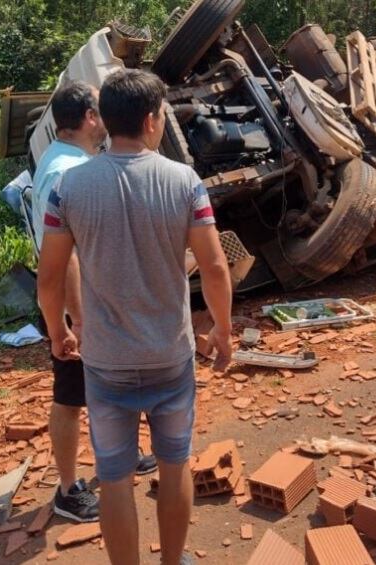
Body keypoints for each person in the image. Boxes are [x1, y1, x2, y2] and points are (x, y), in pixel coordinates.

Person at [38, 69, 233, 565]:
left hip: (105, 363)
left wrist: (59, 331)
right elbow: (213, 267)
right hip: (170, 356)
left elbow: (50, 278)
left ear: (106, 120)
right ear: (151, 120)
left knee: (115, 478)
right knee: (174, 466)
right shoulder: (183, 180)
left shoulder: (70, 188)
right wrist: (223, 331)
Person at [31, 80, 156, 524]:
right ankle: (68, 490)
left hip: (91, 301)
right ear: (89, 118)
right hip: (78, 305)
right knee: (69, 396)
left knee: (115, 381)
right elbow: (59, 256)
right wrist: (75, 319)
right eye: (100, 113)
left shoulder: (59, 160)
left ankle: (124, 453)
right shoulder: (67, 172)